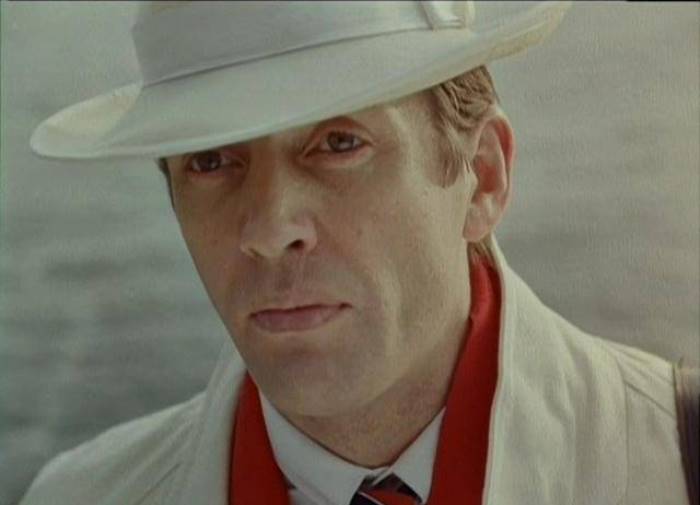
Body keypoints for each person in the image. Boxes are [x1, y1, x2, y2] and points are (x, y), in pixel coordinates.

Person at [19, 2, 695, 504]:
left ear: (482, 176)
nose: (270, 227)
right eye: (211, 161)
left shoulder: (679, 464)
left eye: (339, 143)